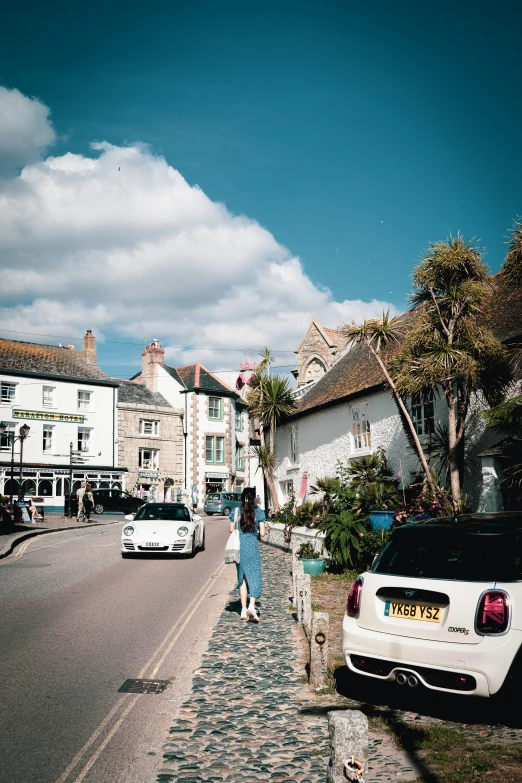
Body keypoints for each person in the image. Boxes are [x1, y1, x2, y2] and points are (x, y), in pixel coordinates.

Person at [229, 486, 266, 623]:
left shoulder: (236, 512)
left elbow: (231, 529)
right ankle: (251, 605)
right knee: (254, 576)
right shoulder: (259, 513)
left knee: (242, 579)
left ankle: (243, 610)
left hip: (240, 548)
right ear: (253, 498)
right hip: (252, 548)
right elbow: (262, 533)